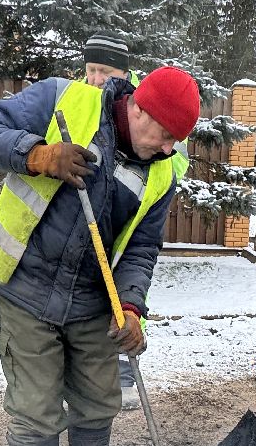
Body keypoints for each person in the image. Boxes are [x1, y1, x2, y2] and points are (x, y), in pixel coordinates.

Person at [0, 65, 200, 446]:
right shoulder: (63, 101)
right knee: (36, 399)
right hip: (26, 283)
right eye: (167, 134)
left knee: (98, 395)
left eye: (178, 139)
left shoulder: (161, 172)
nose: (171, 148)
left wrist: (131, 308)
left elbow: (140, 249)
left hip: (94, 298)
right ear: (138, 108)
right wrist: (38, 155)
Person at [80, 32, 190, 411]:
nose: (95, 78)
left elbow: (173, 161)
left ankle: (125, 373)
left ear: (123, 74)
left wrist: (149, 167)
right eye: (90, 69)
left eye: (103, 70)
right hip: (86, 241)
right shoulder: (82, 107)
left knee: (126, 305)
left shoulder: (157, 108)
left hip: (132, 227)